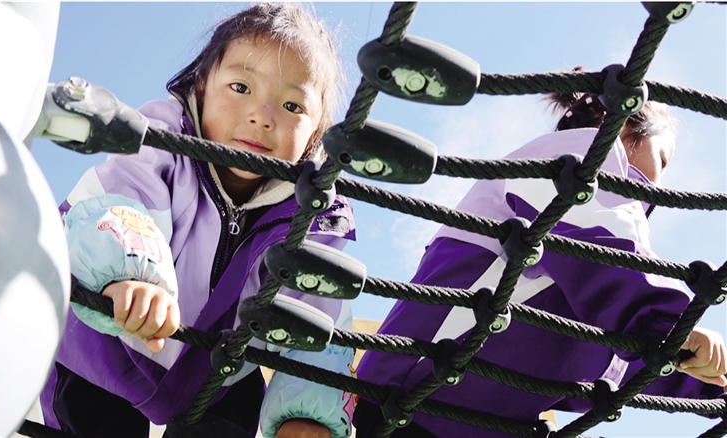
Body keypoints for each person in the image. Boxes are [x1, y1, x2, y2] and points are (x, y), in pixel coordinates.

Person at [39, 4, 356, 438]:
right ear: (202, 86)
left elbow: (319, 318)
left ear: (317, 130)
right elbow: (119, 201)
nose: (262, 116)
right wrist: (133, 275)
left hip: (219, 369)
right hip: (108, 337)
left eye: (291, 105)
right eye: (241, 87)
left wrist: (308, 414)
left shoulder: (314, 218)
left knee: (234, 412)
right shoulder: (162, 140)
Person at [353, 87, 727, 437]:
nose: (660, 184)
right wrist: (669, 323)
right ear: (625, 126)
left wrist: (710, 383)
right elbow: (594, 241)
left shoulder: (608, 287)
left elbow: (619, 361)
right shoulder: (574, 163)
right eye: (662, 158)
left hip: (470, 420)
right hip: (412, 395)